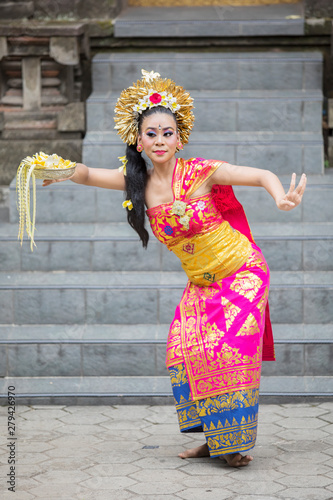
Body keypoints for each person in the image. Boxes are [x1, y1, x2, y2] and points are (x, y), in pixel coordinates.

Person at [43, 69, 306, 468]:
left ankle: (233, 445)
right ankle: (215, 440)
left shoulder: (200, 171)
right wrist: (57, 169)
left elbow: (257, 174)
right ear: (138, 140)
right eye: (152, 133)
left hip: (242, 273)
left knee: (225, 353)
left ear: (179, 137)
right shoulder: (138, 183)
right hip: (201, 284)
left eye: (167, 132)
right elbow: (87, 174)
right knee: (184, 351)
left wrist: (279, 196)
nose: (160, 140)